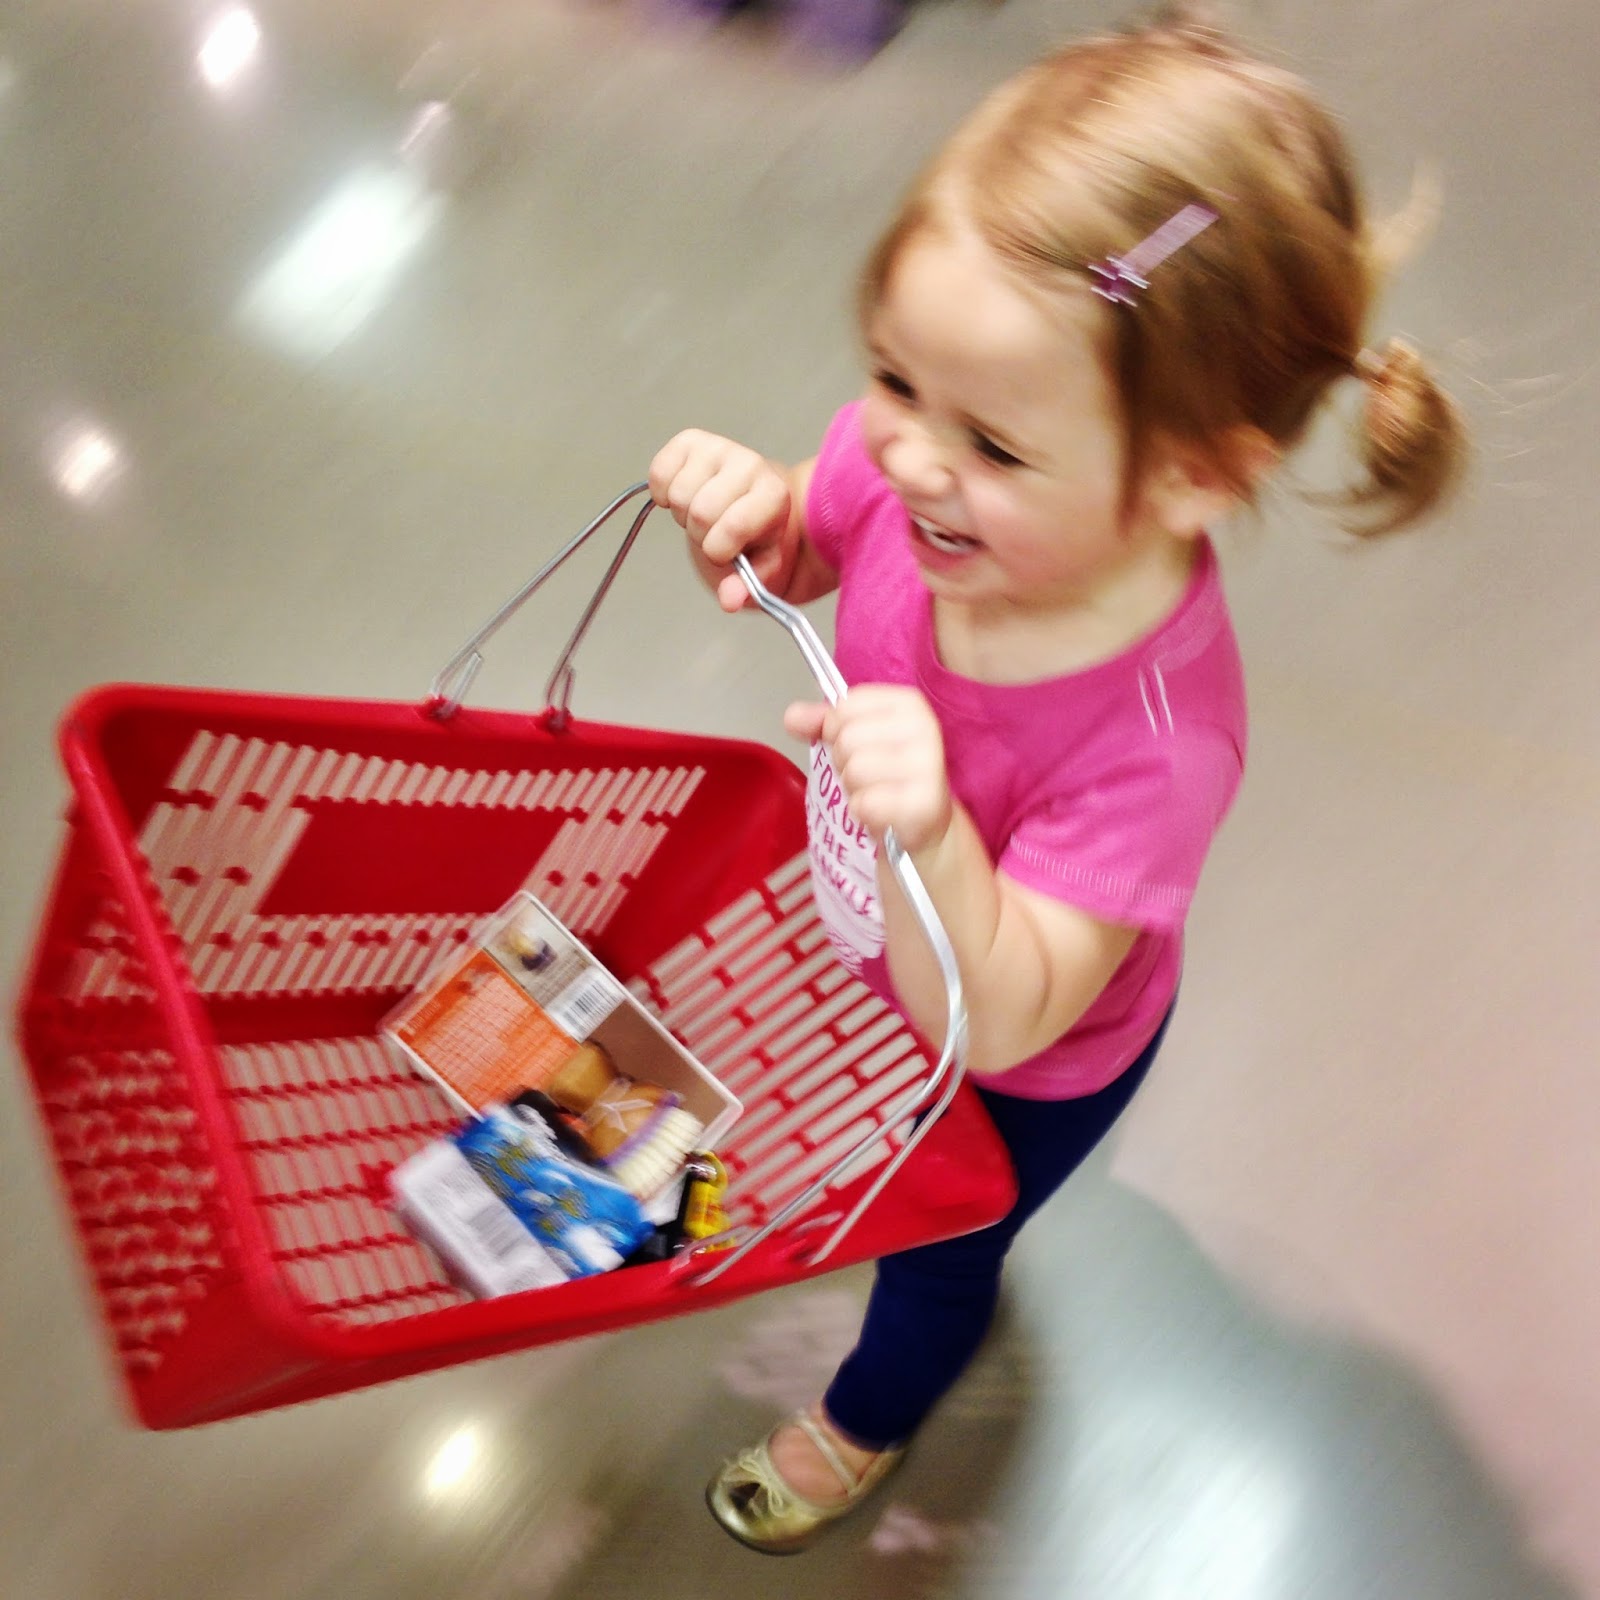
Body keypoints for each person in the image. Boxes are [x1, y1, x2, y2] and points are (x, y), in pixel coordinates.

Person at [649, 6, 1466, 1555]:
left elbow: (1015, 1006)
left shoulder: (1157, 740)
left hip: (1025, 1062)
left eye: (997, 446)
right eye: (894, 377)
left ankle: (866, 1421)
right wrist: (760, 518)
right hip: (888, 937)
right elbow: (817, 537)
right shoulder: (915, 473)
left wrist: (930, 828)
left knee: (938, 1247)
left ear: (1193, 474)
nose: (907, 458)